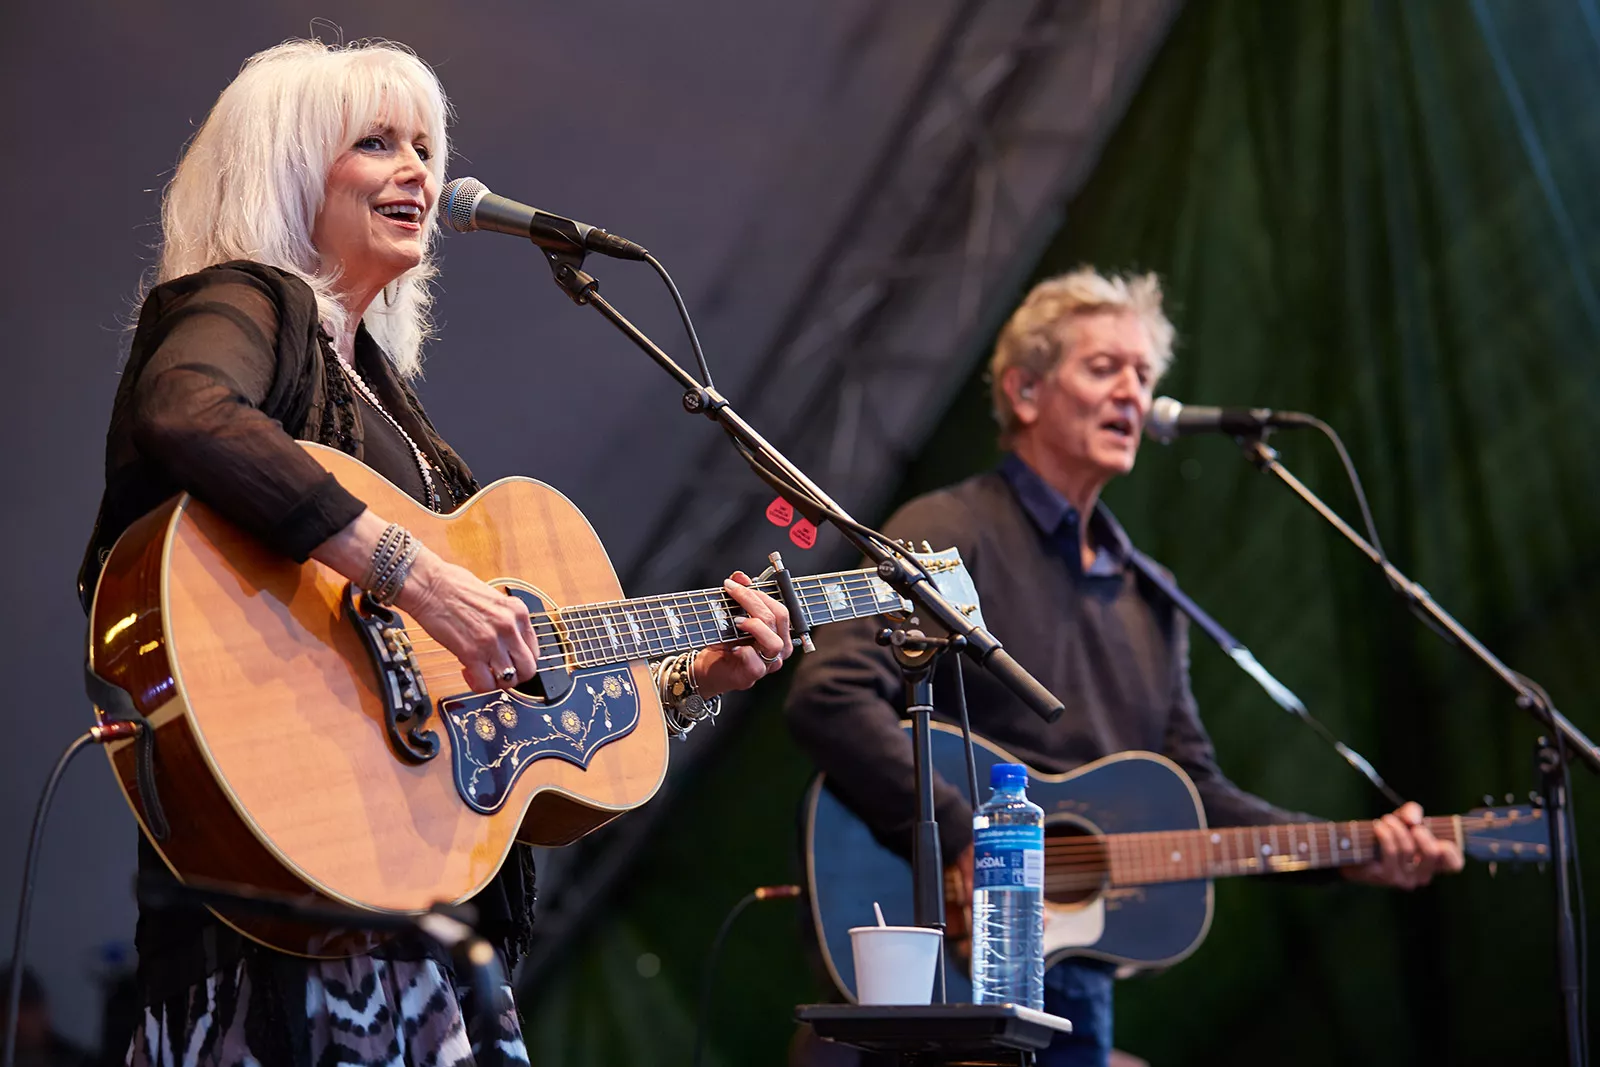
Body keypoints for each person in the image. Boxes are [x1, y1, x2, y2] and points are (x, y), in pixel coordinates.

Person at [78, 39, 795, 1066]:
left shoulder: (387, 402)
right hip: (288, 913)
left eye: (424, 143)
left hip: (405, 906)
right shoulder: (250, 302)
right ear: (285, 171)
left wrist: (684, 680)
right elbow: (187, 413)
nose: (418, 169)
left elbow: (489, 705)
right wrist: (412, 571)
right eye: (376, 144)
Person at [783, 268, 1463, 1067]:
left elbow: (1196, 797)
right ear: (1026, 392)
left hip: (1067, 995)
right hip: (930, 979)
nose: (1133, 395)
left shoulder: (1152, 596)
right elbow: (829, 691)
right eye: (1104, 367)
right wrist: (965, 834)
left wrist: (1350, 849)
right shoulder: (947, 530)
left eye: (1143, 375)